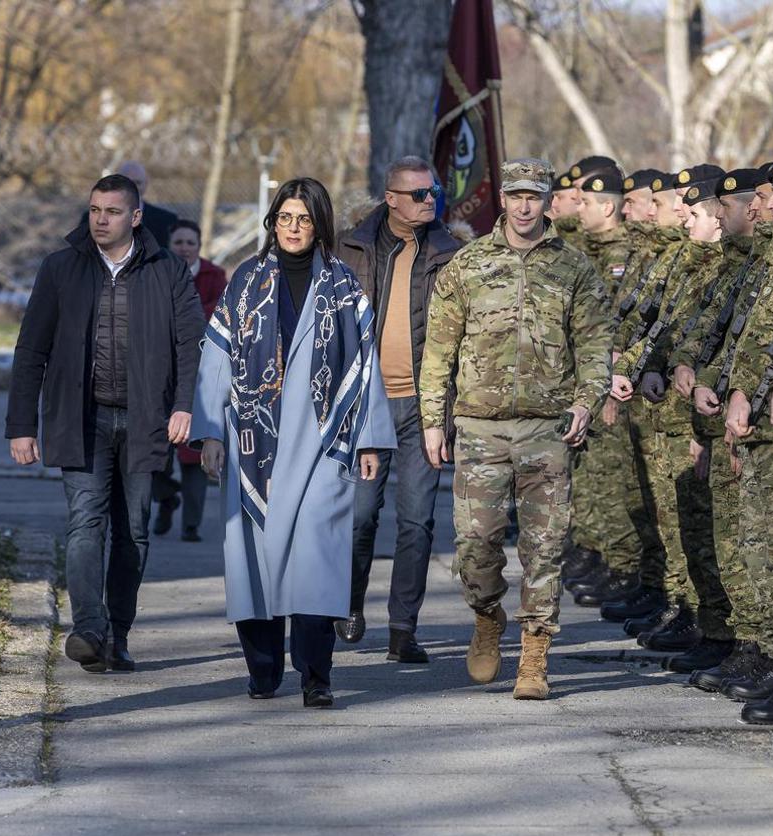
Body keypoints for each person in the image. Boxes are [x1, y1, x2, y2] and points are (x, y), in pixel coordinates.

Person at [190, 177, 396, 708]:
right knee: (254, 563)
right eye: (285, 217)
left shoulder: (344, 287)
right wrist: (210, 431)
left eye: (304, 219)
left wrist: (370, 440)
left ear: (319, 225)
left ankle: (315, 675)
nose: (294, 228)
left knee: (316, 564)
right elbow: (216, 358)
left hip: (324, 447)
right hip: (254, 447)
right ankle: (262, 670)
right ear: (272, 221)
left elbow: (365, 366)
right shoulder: (245, 282)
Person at [418, 158, 612, 701]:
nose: (525, 206)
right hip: (480, 427)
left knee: (545, 548)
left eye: (535, 196)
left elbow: (597, 344)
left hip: (548, 428)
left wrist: (586, 402)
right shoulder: (469, 264)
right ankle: (486, 616)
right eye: (517, 196)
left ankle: (534, 654)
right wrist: (433, 420)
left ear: (548, 201)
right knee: (475, 546)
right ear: (502, 199)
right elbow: (438, 349)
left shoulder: (573, 268)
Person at [7, 173, 203, 674]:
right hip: (82, 418)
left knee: (134, 531)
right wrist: (21, 425)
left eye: (112, 211)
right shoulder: (62, 268)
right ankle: (88, 628)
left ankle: (118, 633)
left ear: (135, 217)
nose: (101, 219)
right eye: (95, 209)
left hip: (146, 419)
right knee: (85, 522)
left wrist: (185, 407)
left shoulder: (169, 271)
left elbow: (190, 346)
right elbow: (32, 349)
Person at [335, 155, 463, 662]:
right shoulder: (351, 248)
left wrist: (450, 410)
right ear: (390, 199)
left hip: (425, 406)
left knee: (418, 521)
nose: (429, 200)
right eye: (418, 194)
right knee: (361, 514)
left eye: (432, 192)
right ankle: (347, 604)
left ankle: (402, 629)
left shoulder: (451, 253)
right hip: (366, 402)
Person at [154, 218, 228, 542]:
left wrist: (186, 314)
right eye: (178, 243)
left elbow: (220, 314)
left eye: (190, 243)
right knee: (153, 452)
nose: (184, 248)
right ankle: (166, 497)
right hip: (159, 370)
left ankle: (191, 524)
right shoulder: (157, 271)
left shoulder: (214, 276)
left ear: (199, 247)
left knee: (192, 451)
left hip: (202, 370)